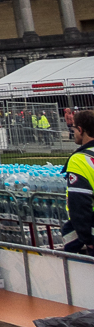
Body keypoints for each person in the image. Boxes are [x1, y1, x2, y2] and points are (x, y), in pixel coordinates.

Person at [62, 109, 94, 256]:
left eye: (74, 128)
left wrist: (88, 240)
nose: (73, 132)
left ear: (81, 130)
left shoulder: (80, 159)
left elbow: (79, 204)